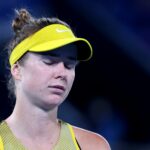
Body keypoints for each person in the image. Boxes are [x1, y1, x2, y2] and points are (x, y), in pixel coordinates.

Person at [0, 9, 110, 150]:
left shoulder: (93, 146)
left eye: (69, 65)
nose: (62, 73)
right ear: (17, 70)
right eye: (49, 62)